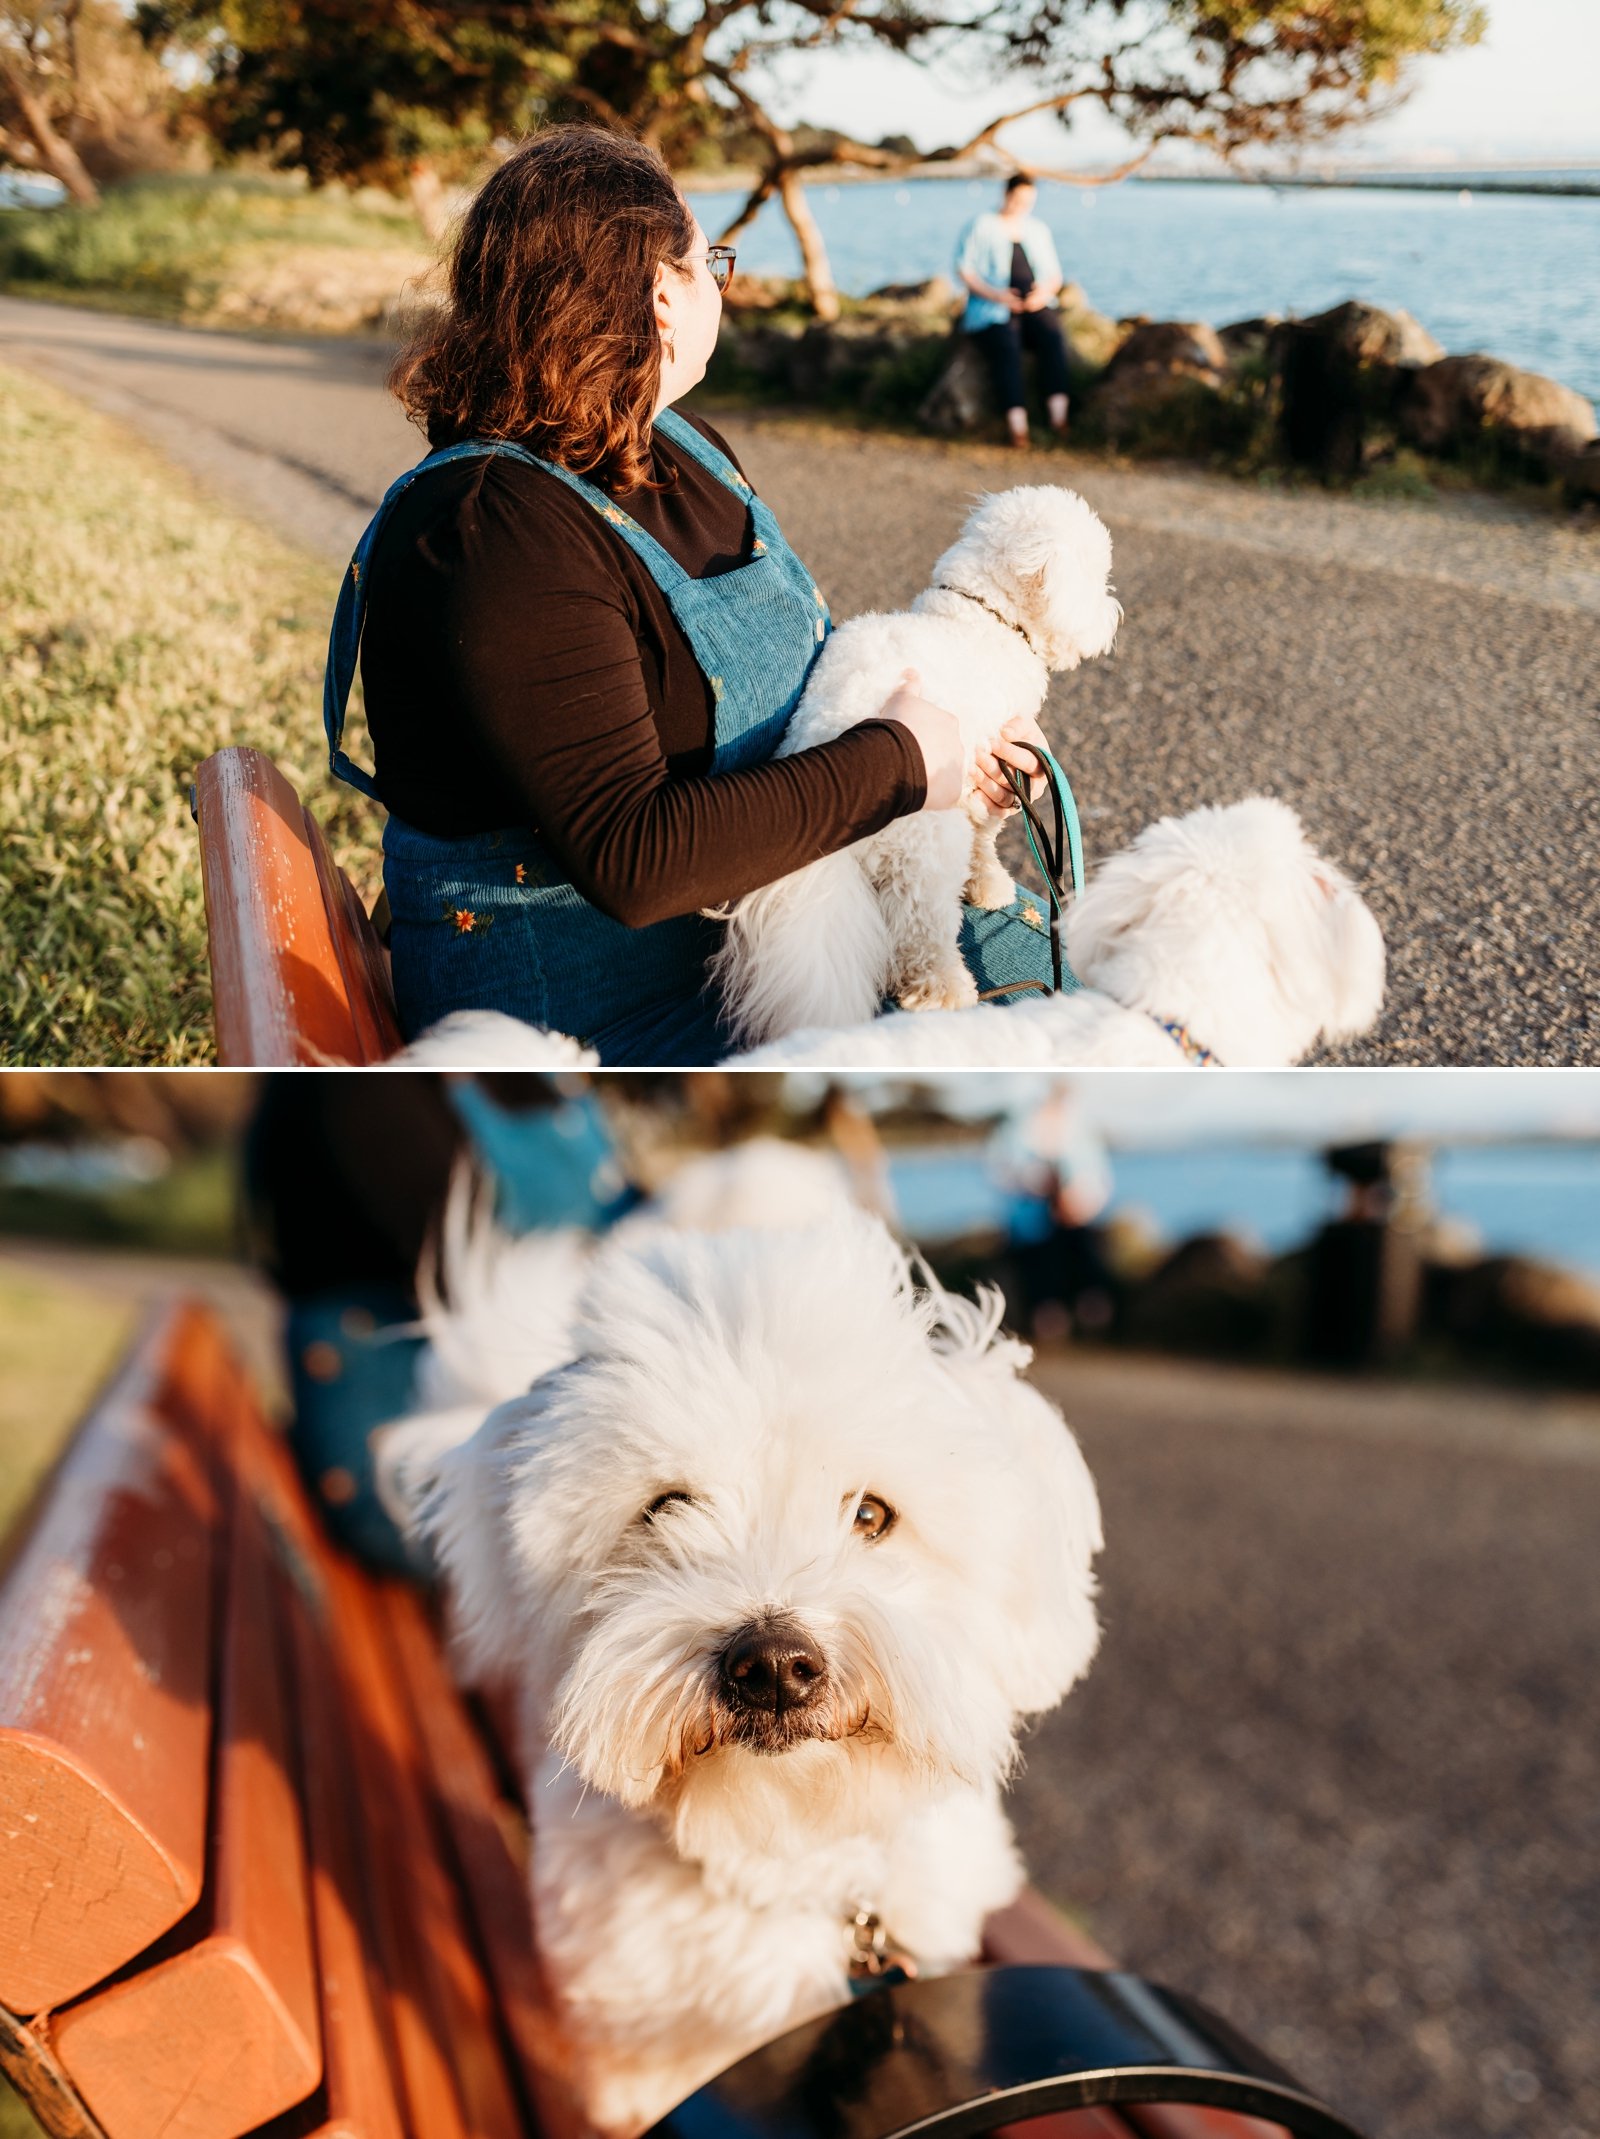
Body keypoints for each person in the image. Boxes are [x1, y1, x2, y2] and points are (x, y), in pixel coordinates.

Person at [322, 126, 1063, 1066]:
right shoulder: (491, 533)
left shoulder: (686, 445)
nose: (724, 280)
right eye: (712, 260)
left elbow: (816, 682)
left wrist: (959, 752)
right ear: (663, 296)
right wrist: (902, 763)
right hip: (595, 1018)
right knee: (1050, 1041)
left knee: (1054, 960)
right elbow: (634, 859)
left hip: (774, 937)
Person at [955, 173, 1073, 450]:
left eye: (1028, 201)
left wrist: (1041, 296)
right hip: (992, 307)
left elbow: (1055, 276)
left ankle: (1060, 420)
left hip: (1034, 304)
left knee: (1053, 337)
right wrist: (997, 295)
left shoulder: (1038, 229)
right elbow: (964, 269)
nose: (1023, 205)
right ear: (1006, 195)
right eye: (1018, 199)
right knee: (1007, 345)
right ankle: (1017, 428)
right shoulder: (981, 225)